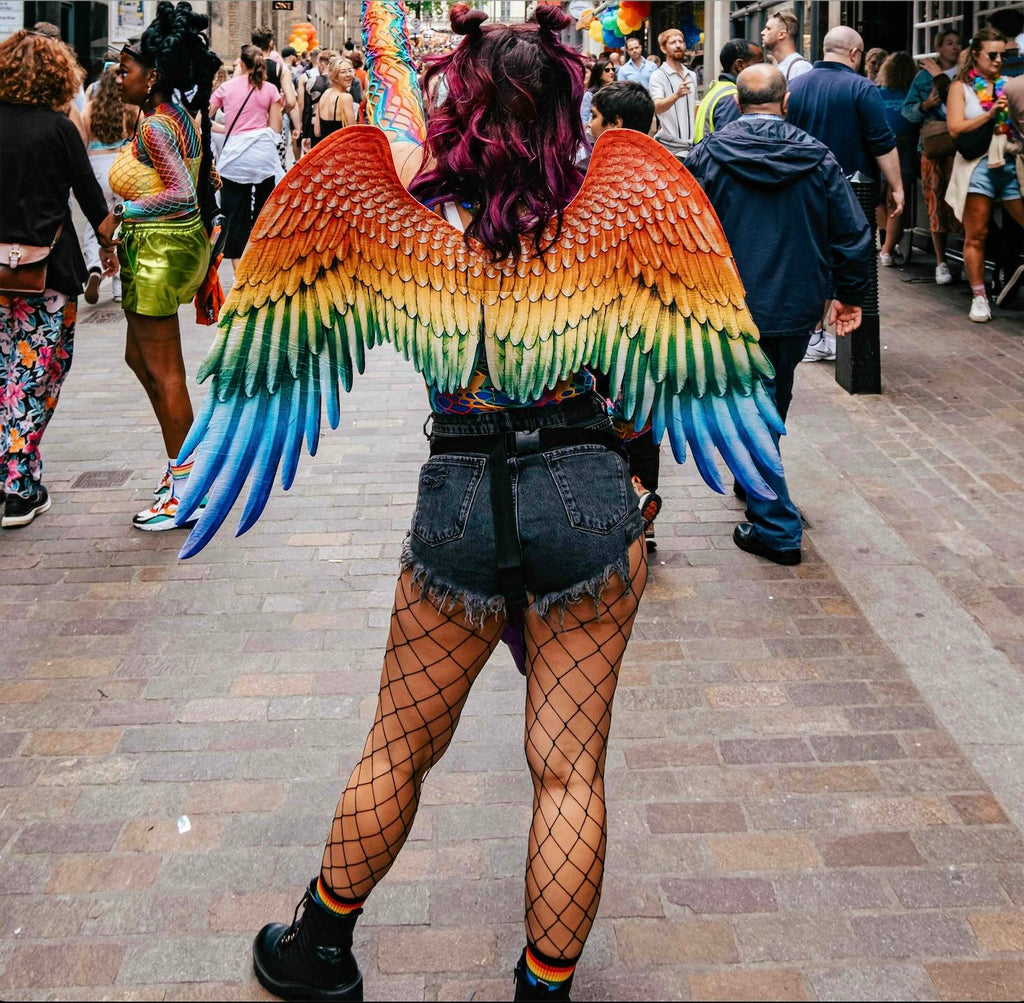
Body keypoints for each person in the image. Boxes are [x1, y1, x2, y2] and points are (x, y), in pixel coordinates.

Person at [176, 2, 784, 999]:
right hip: (587, 490)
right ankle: (543, 986)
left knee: (398, 745)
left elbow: (282, 314)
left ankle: (318, 946)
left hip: (460, 490)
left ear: (458, 102)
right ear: (563, 108)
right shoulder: (620, 197)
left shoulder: (405, 208)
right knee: (569, 769)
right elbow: (703, 348)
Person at [687, 63, 871, 566]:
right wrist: (850, 293)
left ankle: (777, 526)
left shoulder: (708, 155)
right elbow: (852, 233)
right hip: (794, 301)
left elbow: (680, 231)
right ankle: (759, 483)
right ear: (785, 102)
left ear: (736, 103)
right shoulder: (817, 156)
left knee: (751, 401)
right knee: (770, 394)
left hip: (729, 304)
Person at [103, 2, 221, 530]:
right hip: (155, 250)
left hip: (158, 253)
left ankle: (188, 486)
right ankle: (181, 469)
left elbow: (179, 195)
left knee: (165, 371)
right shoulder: (168, 118)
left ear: (152, 76)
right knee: (140, 358)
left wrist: (123, 212)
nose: (118, 76)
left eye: (124, 69)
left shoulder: (157, 127)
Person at [0, 28, 117, 527]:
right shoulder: (58, 129)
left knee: (6, 371)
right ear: (57, 76)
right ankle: (18, 486)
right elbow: (92, 201)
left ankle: (12, 471)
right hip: (46, 273)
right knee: (40, 372)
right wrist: (111, 247)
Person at [787, 25, 900, 362]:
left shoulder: (795, 86)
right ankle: (824, 333)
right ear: (854, 53)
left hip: (802, 189)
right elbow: (882, 141)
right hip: (850, 192)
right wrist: (897, 186)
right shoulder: (862, 87)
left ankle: (811, 334)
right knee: (845, 259)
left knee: (811, 259)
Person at [945, 28, 1024, 323]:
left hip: (1010, 162)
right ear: (976, 55)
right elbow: (955, 128)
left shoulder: (1009, 85)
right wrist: (989, 116)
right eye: (992, 55)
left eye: (1003, 55)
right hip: (978, 164)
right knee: (977, 233)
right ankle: (979, 297)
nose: (998, 60)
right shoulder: (961, 88)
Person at [210, 44, 283, 269]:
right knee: (264, 212)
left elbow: (204, 117)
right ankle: (261, 263)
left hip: (235, 158)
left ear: (241, 63)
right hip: (262, 156)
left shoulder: (226, 88)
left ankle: (239, 270)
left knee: (234, 214)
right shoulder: (270, 89)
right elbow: (276, 128)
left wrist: (226, 130)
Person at [901, 29, 963, 286]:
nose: (955, 47)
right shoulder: (923, 77)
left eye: (958, 43)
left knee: (962, 202)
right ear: (939, 48)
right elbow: (907, 111)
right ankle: (941, 261)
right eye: (949, 43)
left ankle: (967, 257)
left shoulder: (965, 75)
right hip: (934, 145)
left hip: (962, 146)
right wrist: (924, 106)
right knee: (935, 199)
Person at [81, 66, 133, 304]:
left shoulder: (90, 109)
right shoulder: (127, 108)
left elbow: (81, 144)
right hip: (120, 166)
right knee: (120, 222)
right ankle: (119, 286)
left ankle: (94, 266)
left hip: (96, 166)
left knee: (95, 221)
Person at [876, 52, 919, 267]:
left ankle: (888, 245)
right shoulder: (913, 95)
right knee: (895, 200)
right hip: (905, 148)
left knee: (879, 200)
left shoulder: (878, 93)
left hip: (882, 148)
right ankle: (889, 245)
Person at [693, 37, 763, 143]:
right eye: (759, 64)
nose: (763, 69)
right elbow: (728, 145)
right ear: (739, 65)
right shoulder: (733, 98)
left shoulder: (718, 90)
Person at [251, 25, 300, 167]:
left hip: (249, 122)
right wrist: (281, 112)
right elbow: (291, 101)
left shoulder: (246, 65)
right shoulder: (280, 68)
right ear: (271, 43)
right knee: (276, 165)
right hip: (273, 123)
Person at [649, 27, 698, 159]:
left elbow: (695, 107)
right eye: (672, 42)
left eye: (680, 42)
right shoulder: (658, 76)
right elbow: (656, 107)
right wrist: (676, 96)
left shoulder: (692, 75)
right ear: (663, 48)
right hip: (670, 149)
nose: (678, 45)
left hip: (693, 148)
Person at [760, 9, 812, 83]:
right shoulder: (779, 65)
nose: (762, 32)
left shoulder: (800, 67)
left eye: (768, 29)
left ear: (782, 34)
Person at [314, 56, 357, 142]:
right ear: (334, 76)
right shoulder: (346, 97)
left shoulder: (325, 94)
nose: (348, 75)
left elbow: (317, 132)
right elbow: (353, 133)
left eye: (350, 70)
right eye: (343, 72)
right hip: (341, 148)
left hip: (325, 147)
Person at [580, 58, 614, 143]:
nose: (611, 72)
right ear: (599, 73)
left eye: (613, 69)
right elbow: (583, 117)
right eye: (607, 70)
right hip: (593, 137)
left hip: (612, 134)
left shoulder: (617, 91)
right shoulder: (590, 94)